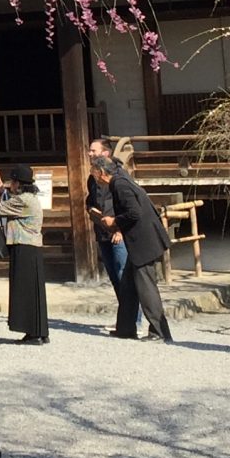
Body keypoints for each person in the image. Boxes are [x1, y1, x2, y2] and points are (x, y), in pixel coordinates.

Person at [103, 155, 173, 343]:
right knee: (128, 285)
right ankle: (126, 328)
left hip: (143, 242)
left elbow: (134, 212)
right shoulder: (122, 179)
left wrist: (114, 221)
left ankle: (159, 331)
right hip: (141, 241)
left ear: (101, 173)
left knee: (146, 286)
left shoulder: (120, 184)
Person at [86, 137, 140, 335]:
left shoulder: (119, 176)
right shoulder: (92, 177)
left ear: (105, 153)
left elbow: (126, 206)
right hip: (102, 230)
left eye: (93, 150)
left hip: (118, 231)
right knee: (115, 279)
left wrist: (119, 228)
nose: (90, 153)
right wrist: (91, 211)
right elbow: (91, 200)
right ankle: (124, 320)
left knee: (124, 276)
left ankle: (134, 321)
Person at [0, 163, 49, 344]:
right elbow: (9, 202)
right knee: (34, 290)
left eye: (12, 182)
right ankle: (39, 330)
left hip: (23, 247)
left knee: (24, 290)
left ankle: (32, 332)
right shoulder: (29, 198)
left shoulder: (23, 200)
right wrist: (1, 188)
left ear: (18, 183)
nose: (11, 186)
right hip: (31, 248)